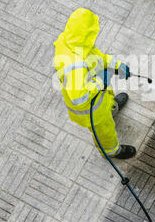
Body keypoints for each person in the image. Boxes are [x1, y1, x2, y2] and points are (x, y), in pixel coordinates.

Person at [53, 8, 136, 159]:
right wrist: (100, 80)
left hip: (100, 98)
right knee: (105, 132)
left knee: (107, 103)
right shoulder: (72, 65)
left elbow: (97, 57)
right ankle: (112, 151)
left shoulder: (75, 41)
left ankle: (112, 108)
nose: (94, 37)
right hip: (92, 110)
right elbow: (79, 97)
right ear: (85, 34)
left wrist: (116, 65)